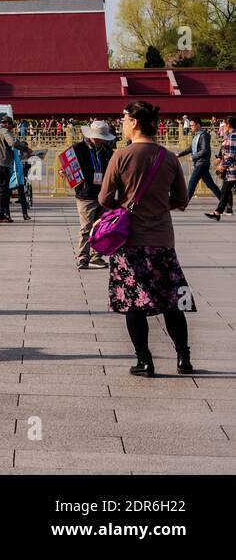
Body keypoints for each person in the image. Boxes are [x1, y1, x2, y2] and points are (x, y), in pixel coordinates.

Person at [100, 101, 192, 377]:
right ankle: (183, 358)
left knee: (133, 303)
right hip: (162, 240)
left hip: (130, 242)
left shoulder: (122, 156)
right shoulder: (169, 158)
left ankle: (144, 360)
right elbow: (182, 200)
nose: (122, 123)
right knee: (171, 303)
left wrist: (125, 206)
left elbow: (104, 199)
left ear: (135, 122)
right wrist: (159, 206)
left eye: (124, 118)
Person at [67, 120, 117, 267]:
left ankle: (97, 255)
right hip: (86, 193)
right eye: (99, 137)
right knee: (86, 226)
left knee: (101, 227)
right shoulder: (78, 148)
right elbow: (69, 169)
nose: (101, 140)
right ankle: (83, 255)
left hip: (104, 193)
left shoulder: (107, 150)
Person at [179, 116, 220, 203]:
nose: (190, 127)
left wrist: (193, 157)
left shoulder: (203, 135)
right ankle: (225, 202)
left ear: (198, 125)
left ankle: (183, 203)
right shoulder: (197, 135)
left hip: (201, 163)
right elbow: (191, 148)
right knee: (211, 185)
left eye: (192, 125)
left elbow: (205, 150)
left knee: (192, 183)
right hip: (200, 163)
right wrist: (179, 154)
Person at [204, 116, 236, 221]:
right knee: (225, 191)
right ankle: (218, 212)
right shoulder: (230, 136)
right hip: (230, 170)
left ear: (229, 125)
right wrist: (219, 158)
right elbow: (226, 151)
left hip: (232, 169)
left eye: (224, 124)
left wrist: (223, 166)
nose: (223, 127)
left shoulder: (233, 136)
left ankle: (218, 212)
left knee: (225, 190)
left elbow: (232, 155)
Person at [0, 116, 15, 223]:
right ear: (8, 124)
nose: (11, 129)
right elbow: (12, 143)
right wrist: (26, 148)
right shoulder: (5, 131)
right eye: (11, 127)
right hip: (3, 164)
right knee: (3, 191)